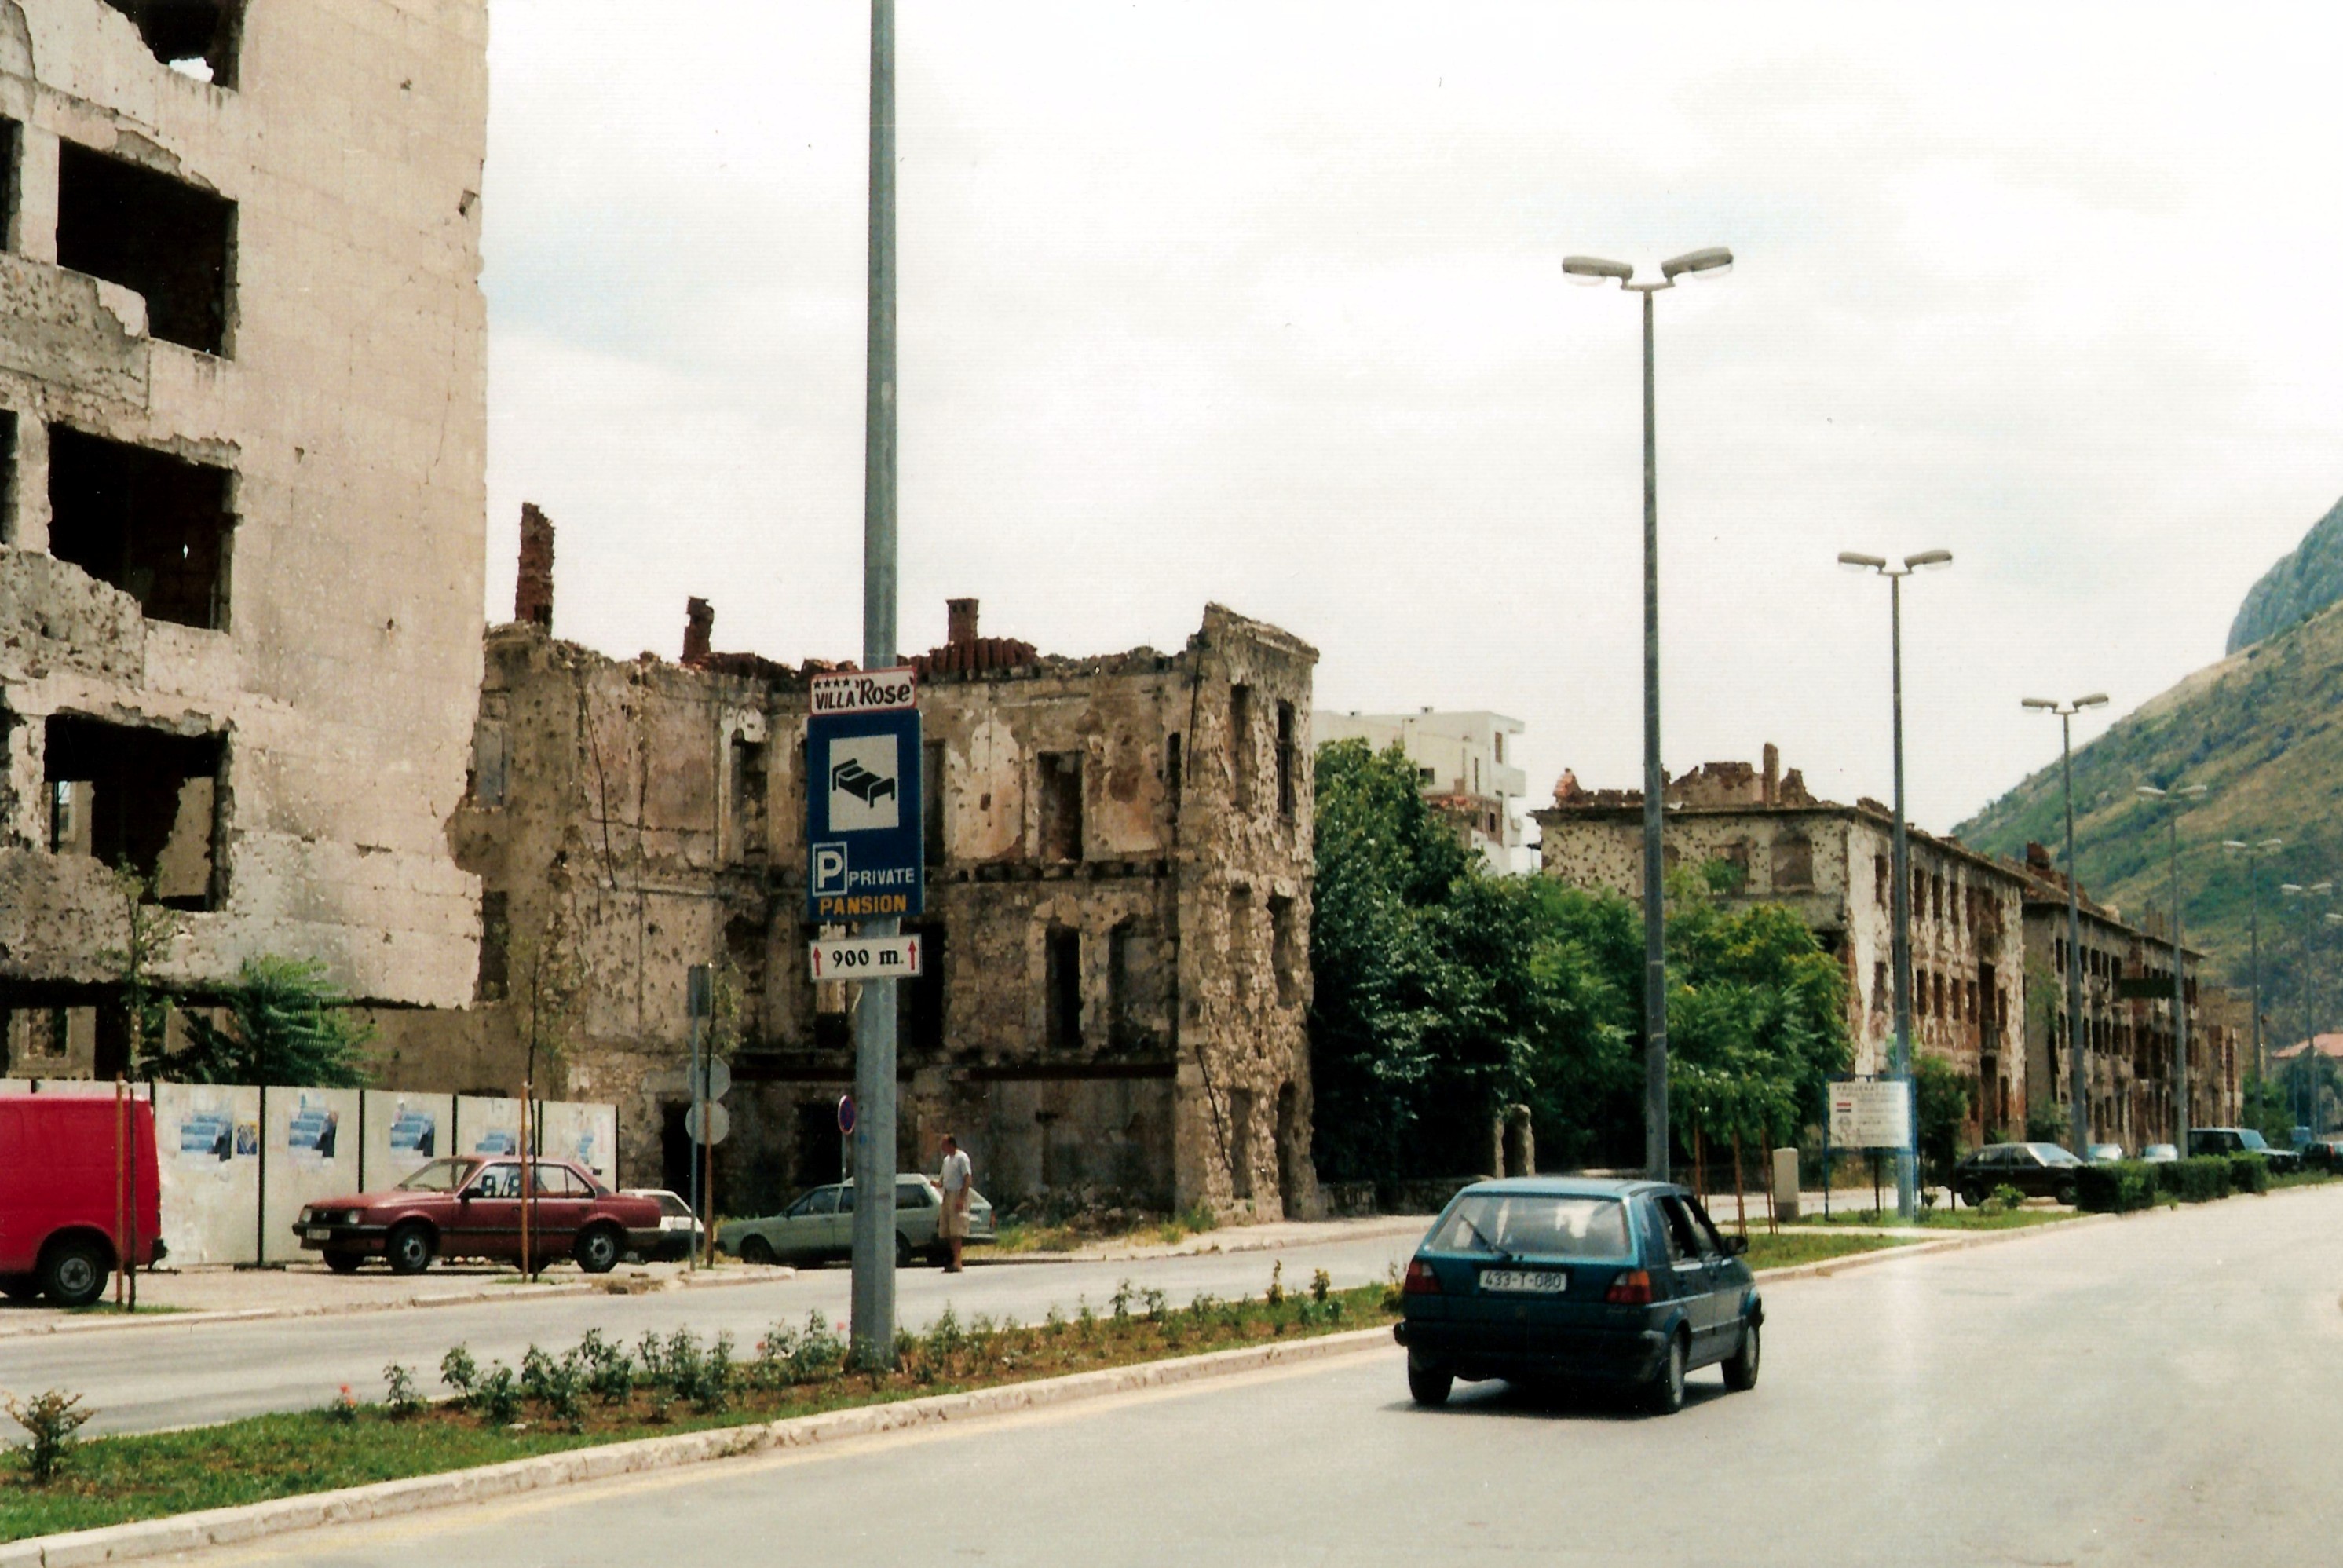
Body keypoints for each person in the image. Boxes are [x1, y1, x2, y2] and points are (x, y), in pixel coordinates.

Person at [938, 1133, 973, 1273]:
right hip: (947, 1195)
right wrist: (937, 1184)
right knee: (949, 1231)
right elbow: (942, 1179)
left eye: (944, 1145)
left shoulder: (961, 1158)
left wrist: (961, 1199)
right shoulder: (947, 1160)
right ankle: (952, 1260)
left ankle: (958, 1262)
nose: (942, 1148)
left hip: (957, 1194)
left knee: (957, 1230)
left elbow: (968, 1179)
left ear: (951, 1144)